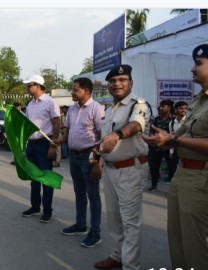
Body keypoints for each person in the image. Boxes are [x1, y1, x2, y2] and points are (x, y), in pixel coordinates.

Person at [142, 44, 208, 270]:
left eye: (199, 63)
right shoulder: (198, 101)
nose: (192, 68)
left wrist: (174, 141)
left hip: (202, 177)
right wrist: (164, 138)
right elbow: (180, 134)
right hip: (183, 173)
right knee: (177, 237)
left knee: (196, 244)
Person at [94, 65, 151, 270]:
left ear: (131, 83)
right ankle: (117, 256)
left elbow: (136, 125)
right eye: (113, 81)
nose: (117, 84)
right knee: (114, 218)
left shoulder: (139, 105)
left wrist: (117, 134)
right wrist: (98, 161)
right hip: (110, 169)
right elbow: (103, 141)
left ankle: (130, 265)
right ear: (108, 85)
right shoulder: (109, 110)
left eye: (123, 80)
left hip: (130, 170)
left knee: (130, 222)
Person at [60, 77, 104, 248]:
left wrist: (98, 163)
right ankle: (80, 225)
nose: (72, 92)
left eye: (75, 89)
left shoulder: (96, 109)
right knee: (79, 192)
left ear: (87, 91)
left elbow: (101, 137)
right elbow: (69, 132)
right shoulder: (72, 109)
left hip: (89, 157)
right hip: (74, 156)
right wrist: (61, 141)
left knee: (93, 196)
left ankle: (95, 233)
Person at [21, 75, 60, 223]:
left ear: (37, 85)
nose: (27, 88)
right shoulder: (30, 104)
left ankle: (47, 210)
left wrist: (53, 145)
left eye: (29, 85)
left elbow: (56, 123)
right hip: (32, 144)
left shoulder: (50, 102)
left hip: (45, 144)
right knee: (34, 178)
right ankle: (35, 206)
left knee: (46, 178)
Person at [146, 99, 175, 192]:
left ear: (169, 108)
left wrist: (155, 128)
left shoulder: (174, 120)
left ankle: (173, 190)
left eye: (163, 106)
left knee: (172, 168)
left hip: (169, 148)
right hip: (155, 148)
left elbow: (173, 134)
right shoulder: (156, 119)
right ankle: (154, 186)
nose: (161, 108)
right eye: (160, 106)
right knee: (154, 167)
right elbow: (151, 132)